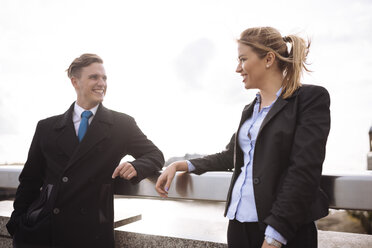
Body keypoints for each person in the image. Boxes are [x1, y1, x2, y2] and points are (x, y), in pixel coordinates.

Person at [156, 27, 330, 248]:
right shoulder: (250, 109)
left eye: (243, 59)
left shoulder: (310, 99)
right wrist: (182, 165)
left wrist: (275, 236)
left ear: (268, 59)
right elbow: (231, 156)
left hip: (283, 232)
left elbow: (304, 170)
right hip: (238, 227)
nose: (237, 68)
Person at [6, 53, 164, 248]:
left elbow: (156, 155)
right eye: (94, 77)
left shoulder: (122, 124)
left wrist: (136, 166)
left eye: (104, 77)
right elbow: (30, 180)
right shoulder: (46, 127)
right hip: (44, 232)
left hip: (92, 234)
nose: (102, 83)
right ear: (75, 82)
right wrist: (17, 224)